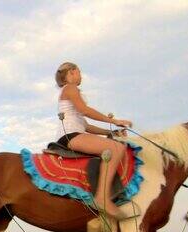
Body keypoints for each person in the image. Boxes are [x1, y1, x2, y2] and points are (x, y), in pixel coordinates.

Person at [54, 62, 132, 219]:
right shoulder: (70, 88)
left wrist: (111, 132)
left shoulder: (69, 92)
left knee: (112, 145)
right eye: (79, 72)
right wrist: (114, 121)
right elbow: (85, 111)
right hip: (71, 135)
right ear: (71, 72)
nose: (81, 75)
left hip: (74, 133)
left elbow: (86, 125)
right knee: (116, 149)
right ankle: (102, 198)